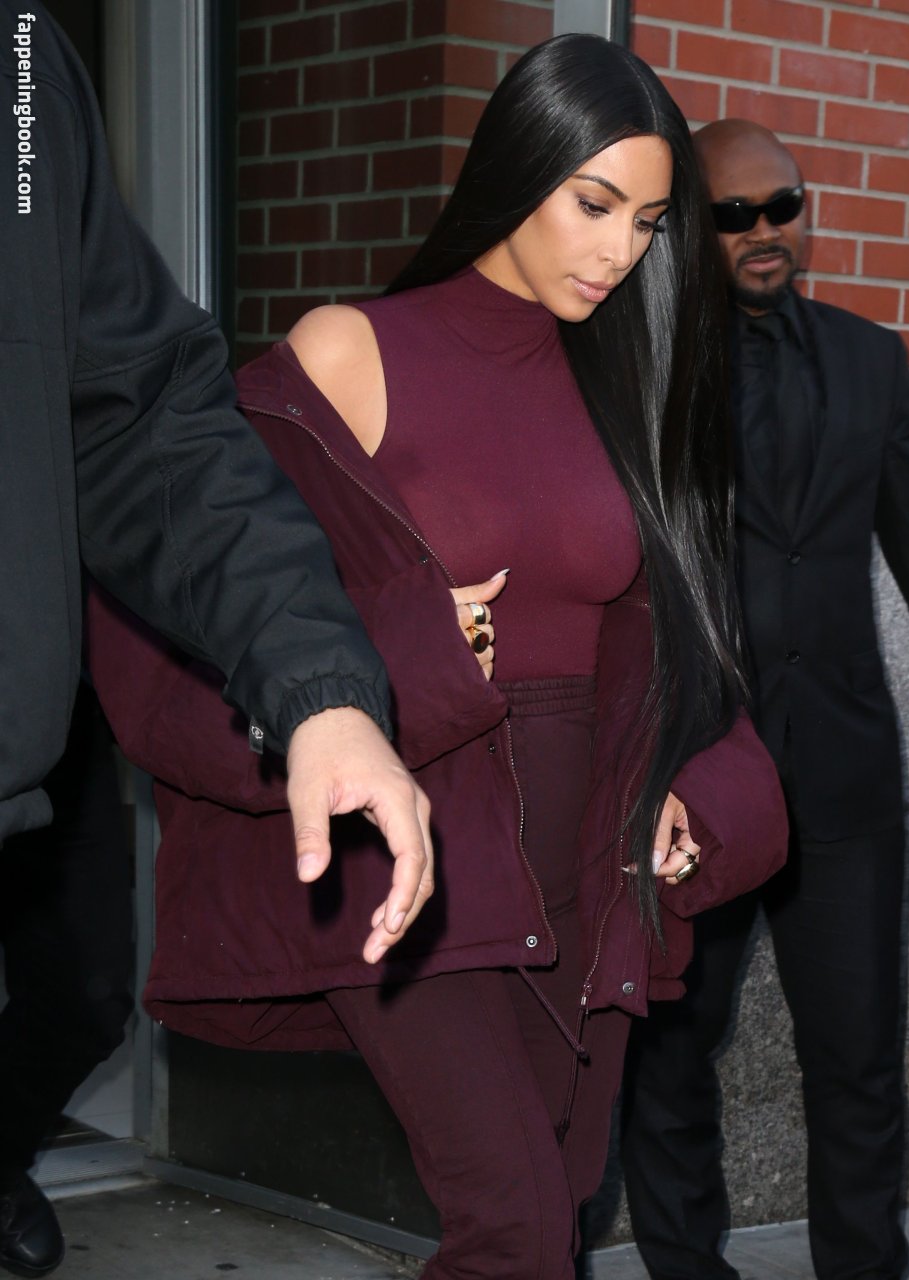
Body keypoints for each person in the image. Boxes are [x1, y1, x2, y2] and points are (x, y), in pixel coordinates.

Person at [88, 37, 788, 1279]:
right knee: (514, 1225)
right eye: (592, 204)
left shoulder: (627, 383)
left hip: (585, 857)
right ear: (518, 166)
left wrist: (695, 788)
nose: (618, 251)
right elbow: (182, 607)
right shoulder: (350, 352)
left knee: (558, 1208)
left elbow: (677, 647)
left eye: (646, 222)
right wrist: (408, 647)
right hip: (420, 849)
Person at [0, 5, 431, 1274]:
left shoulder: (20, 52)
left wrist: (318, 683)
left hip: (25, 762)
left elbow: (138, 412)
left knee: (87, 982)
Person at [620, 119, 909, 1280]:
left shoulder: (871, 360)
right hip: (702, 771)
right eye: (733, 215)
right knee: (671, 1045)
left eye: (784, 206)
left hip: (846, 777)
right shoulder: (650, 368)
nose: (765, 232)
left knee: (857, 1058)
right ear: (690, 230)